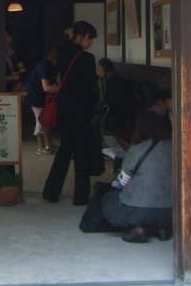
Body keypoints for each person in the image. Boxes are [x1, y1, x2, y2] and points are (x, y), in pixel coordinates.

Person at [102, 86, 173, 243]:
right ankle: (163, 228)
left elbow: (122, 182)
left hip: (140, 211)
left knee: (107, 201)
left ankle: (140, 228)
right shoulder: (178, 148)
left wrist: (115, 186)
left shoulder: (137, 150)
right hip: (173, 212)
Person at [42, 21, 99, 206]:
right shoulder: (88, 59)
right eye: (90, 39)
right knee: (81, 154)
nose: (90, 43)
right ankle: (80, 196)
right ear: (82, 37)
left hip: (64, 110)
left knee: (64, 151)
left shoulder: (61, 55)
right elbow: (91, 90)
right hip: (81, 112)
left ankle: (51, 192)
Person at [25, 45, 59, 155]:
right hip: (36, 97)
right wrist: (61, 89)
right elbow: (46, 87)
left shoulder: (50, 65)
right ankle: (41, 147)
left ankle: (47, 146)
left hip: (42, 97)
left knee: (44, 122)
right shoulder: (44, 66)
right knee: (41, 122)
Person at [94, 58, 129, 137]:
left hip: (116, 115)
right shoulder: (108, 79)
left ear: (105, 69)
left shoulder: (115, 81)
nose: (98, 70)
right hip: (111, 111)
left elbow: (110, 102)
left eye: (99, 68)